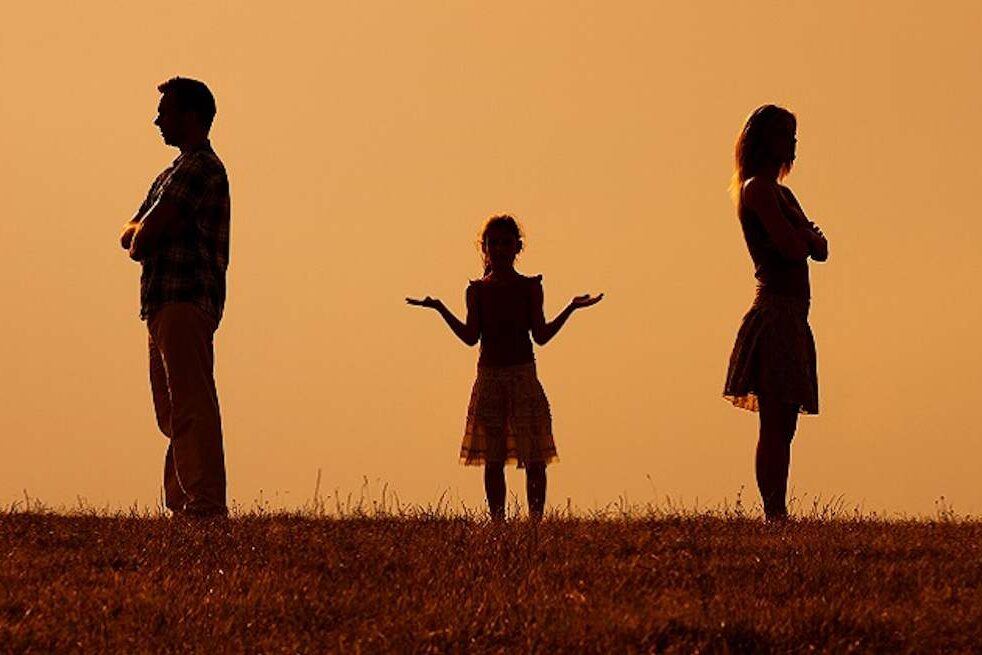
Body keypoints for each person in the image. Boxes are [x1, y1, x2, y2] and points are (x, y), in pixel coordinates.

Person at [407, 215, 602, 520]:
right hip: (489, 379)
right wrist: (440, 308)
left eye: (505, 243)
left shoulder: (530, 287)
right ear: (484, 248)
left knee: (535, 458)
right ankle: (498, 524)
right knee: (493, 459)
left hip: (523, 376)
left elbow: (541, 335)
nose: (499, 249)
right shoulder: (477, 291)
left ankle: (535, 524)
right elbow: (471, 337)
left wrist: (571, 308)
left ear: (517, 248)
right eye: (493, 243)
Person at [119, 77, 231, 518]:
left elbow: (144, 234)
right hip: (164, 301)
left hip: (186, 298)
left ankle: (204, 503)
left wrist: (141, 235)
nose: (157, 120)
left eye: (166, 112)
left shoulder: (199, 169)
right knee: (172, 409)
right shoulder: (172, 172)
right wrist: (140, 234)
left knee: (190, 403)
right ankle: (185, 501)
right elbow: (131, 231)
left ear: (190, 116)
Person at [723, 105, 829, 521]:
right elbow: (793, 246)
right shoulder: (757, 190)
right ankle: (773, 511)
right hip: (775, 313)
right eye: (786, 134)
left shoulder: (782, 193)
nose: (794, 143)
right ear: (766, 139)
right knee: (773, 422)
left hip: (795, 315)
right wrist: (805, 235)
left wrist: (806, 237)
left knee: (786, 422)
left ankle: (777, 508)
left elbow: (819, 249)